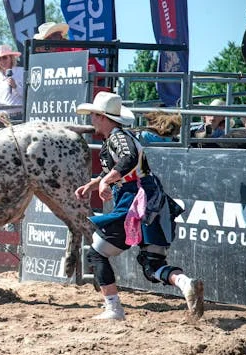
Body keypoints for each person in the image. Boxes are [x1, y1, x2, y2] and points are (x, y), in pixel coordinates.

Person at [73, 92, 204, 321]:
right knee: (152, 267)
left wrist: (104, 181)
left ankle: (113, 308)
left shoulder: (116, 137)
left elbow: (129, 159)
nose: (91, 119)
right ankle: (185, 283)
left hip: (134, 202)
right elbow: (121, 167)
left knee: (97, 252)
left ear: (102, 117)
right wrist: (94, 184)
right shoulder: (122, 137)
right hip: (152, 200)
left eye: (93, 115)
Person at [33, 22, 106, 74]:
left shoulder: (76, 49)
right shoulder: (48, 55)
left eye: (56, 35)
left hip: (96, 83)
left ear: (60, 36)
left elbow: (86, 72)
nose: (53, 39)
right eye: (47, 39)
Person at [0, 45, 24, 119]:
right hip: (0, 117)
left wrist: (16, 86)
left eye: (5, 57)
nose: (2, 61)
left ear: (11, 58)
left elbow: (29, 95)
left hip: (18, 117)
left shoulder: (21, 72)